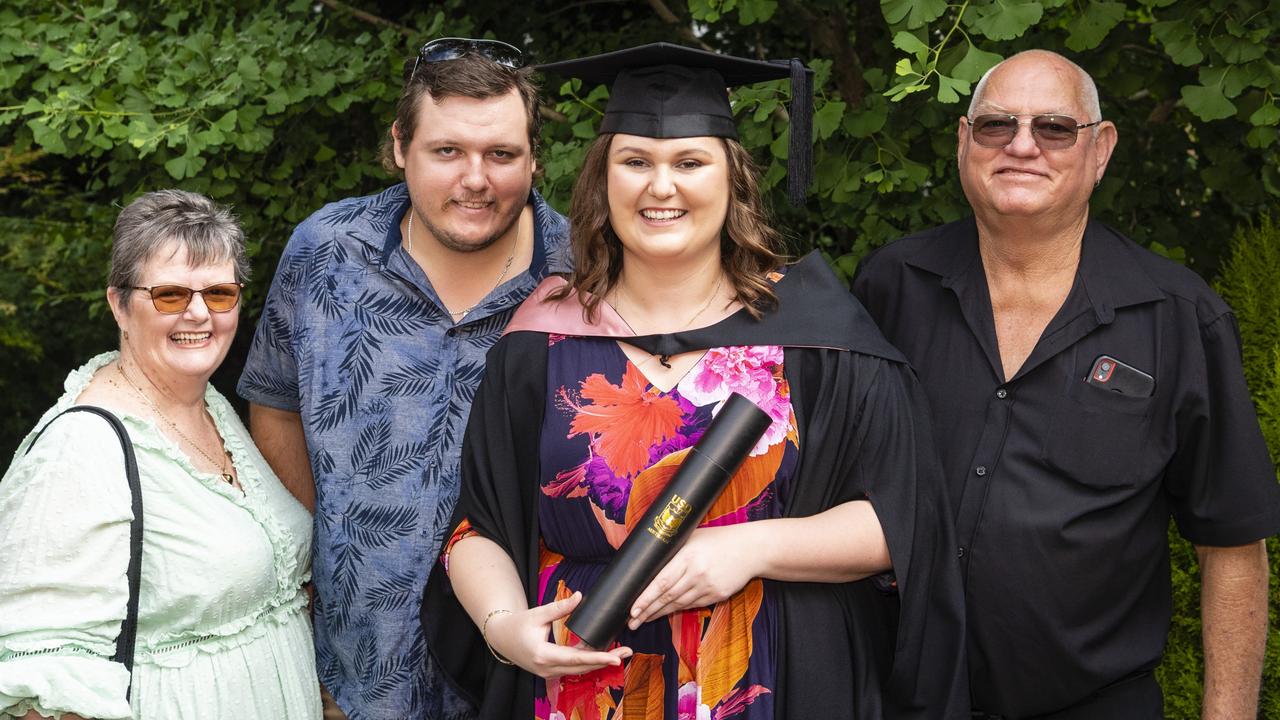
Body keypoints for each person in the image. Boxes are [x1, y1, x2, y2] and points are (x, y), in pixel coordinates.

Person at [423, 43, 967, 720]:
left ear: (732, 179)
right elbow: (477, 528)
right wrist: (505, 627)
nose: (661, 186)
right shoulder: (541, 341)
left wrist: (754, 545)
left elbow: (904, 519)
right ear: (602, 180)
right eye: (635, 162)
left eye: (689, 162)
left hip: (776, 680)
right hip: (586, 685)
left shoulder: (820, 336)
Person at [853, 49, 1280, 719]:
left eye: (1054, 127)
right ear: (964, 141)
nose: (1022, 146)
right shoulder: (891, 288)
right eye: (996, 125)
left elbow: (1231, 543)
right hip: (894, 700)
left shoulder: (1176, 316)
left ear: (1101, 148)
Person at [237, 37, 571, 720]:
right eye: (446, 151)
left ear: (535, 158)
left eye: (501, 155)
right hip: (355, 668)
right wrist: (317, 552)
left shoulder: (588, 275)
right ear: (400, 146)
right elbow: (274, 407)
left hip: (531, 672)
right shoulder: (325, 251)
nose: (475, 178)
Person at [0, 190, 319, 720]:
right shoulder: (79, 449)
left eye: (219, 293)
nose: (199, 313)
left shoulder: (212, 407)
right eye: (170, 295)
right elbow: (35, 675)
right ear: (119, 305)